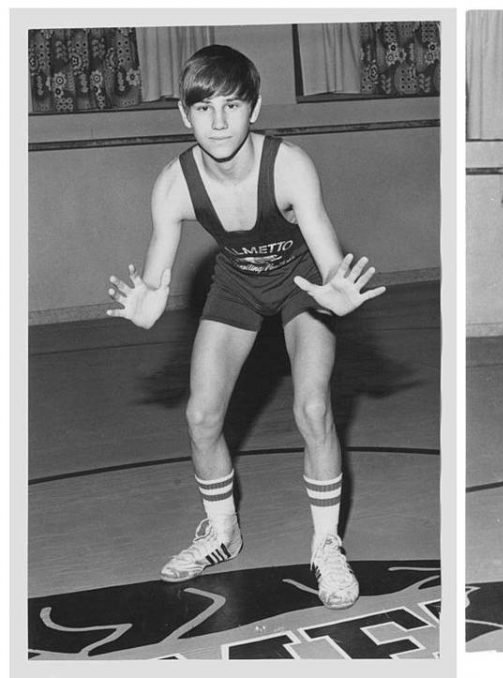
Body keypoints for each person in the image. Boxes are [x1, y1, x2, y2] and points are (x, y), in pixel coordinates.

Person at [107, 44, 385, 610]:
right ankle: (222, 533)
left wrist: (337, 290)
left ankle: (327, 544)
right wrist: (148, 303)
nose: (218, 121)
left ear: (254, 109)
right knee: (201, 415)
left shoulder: (289, 164)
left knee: (312, 409)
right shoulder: (173, 185)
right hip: (235, 284)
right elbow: (156, 274)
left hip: (302, 285)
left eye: (232, 105)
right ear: (184, 115)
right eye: (204, 107)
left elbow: (328, 256)